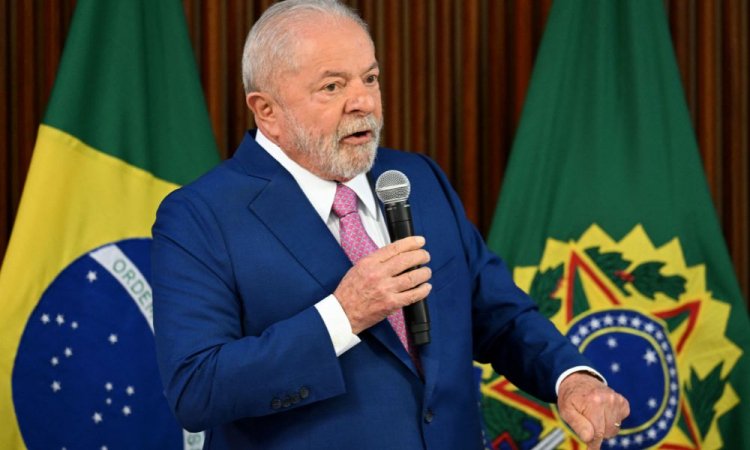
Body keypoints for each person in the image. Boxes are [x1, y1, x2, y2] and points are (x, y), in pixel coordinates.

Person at [151, 1, 629, 449]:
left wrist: (571, 379)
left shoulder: (417, 179)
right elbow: (197, 389)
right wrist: (343, 315)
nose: (363, 102)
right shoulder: (200, 216)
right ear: (267, 111)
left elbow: (498, 315)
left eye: (370, 78)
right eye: (332, 86)